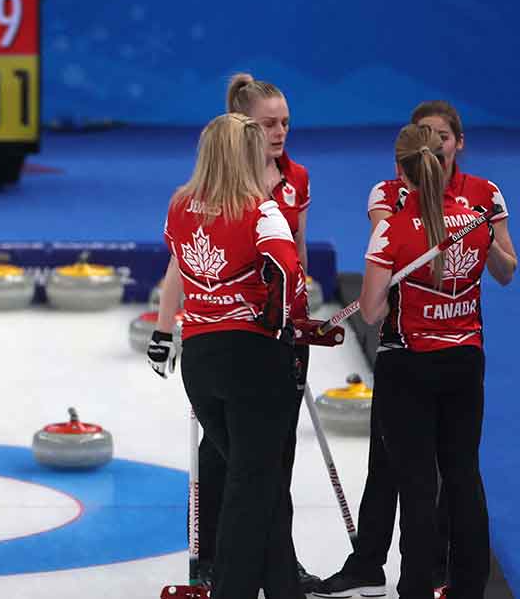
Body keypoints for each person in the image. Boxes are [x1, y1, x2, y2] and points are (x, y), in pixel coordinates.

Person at [317, 104, 515, 598]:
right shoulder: (407, 203)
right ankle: (402, 572)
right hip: (457, 356)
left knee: (426, 482)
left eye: (444, 135)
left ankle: (421, 587)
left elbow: (372, 307)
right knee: (445, 472)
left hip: (414, 357)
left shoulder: (472, 204)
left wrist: (481, 238)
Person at [147, 73, 318, 591]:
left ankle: (282, 586)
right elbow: (291, 275)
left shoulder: (180, 204)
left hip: (200, 362)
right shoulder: (261, 211)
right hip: (253, 359)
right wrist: (290, 319)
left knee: (249, 479)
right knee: (255, 486)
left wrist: (163, 330)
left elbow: (179, 264)